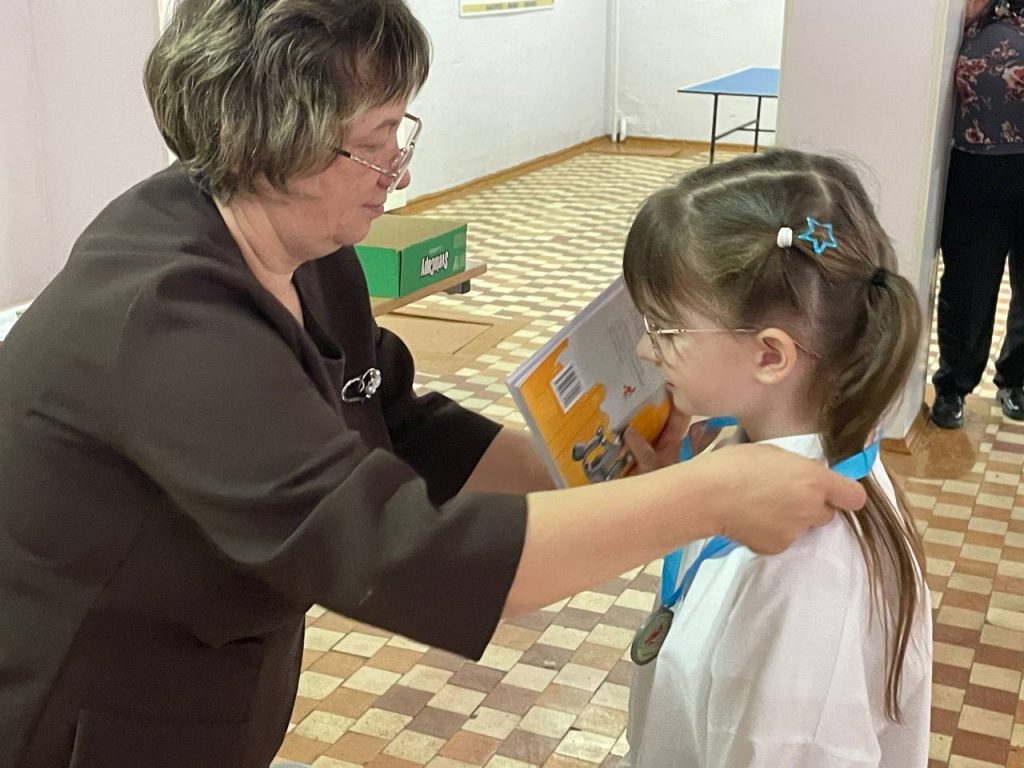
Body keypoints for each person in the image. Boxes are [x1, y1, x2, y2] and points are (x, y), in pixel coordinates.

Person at [0, 2, 866, 766]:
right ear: (274, 143)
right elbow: (396, 553)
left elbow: (396, 419)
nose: (401, 171)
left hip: (212, 680)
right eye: (377, 144)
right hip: (84, 700)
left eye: (400, 134)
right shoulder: (170, 320)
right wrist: (705, 497)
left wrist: (579, 464)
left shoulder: (311, 255)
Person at [619, 149, 933, 767]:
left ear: (770, 356)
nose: (644, 350)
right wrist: (671, 502)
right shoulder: (761, 454)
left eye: (665, 329)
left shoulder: (805, 574)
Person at [931, 0, 1024, 428]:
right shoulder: (965, 10)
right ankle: (953, 386)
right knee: (968, 285)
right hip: (976, 169)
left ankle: (1017, 379)